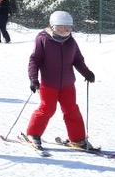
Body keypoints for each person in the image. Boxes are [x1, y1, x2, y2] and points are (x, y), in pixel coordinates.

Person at [24, 11, 97, 150]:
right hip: (49, 84)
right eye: (61, 27)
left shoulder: (71, 41)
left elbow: (77, 60)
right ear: (52, 26)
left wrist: (87, 73)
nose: (65, 31)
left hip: (68, 84)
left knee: (72, 110)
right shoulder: (43, 39)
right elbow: (35, 60)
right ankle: (33, 134)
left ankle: (78, 139)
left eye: (68, 28)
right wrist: (33, 78)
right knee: (47, 109)